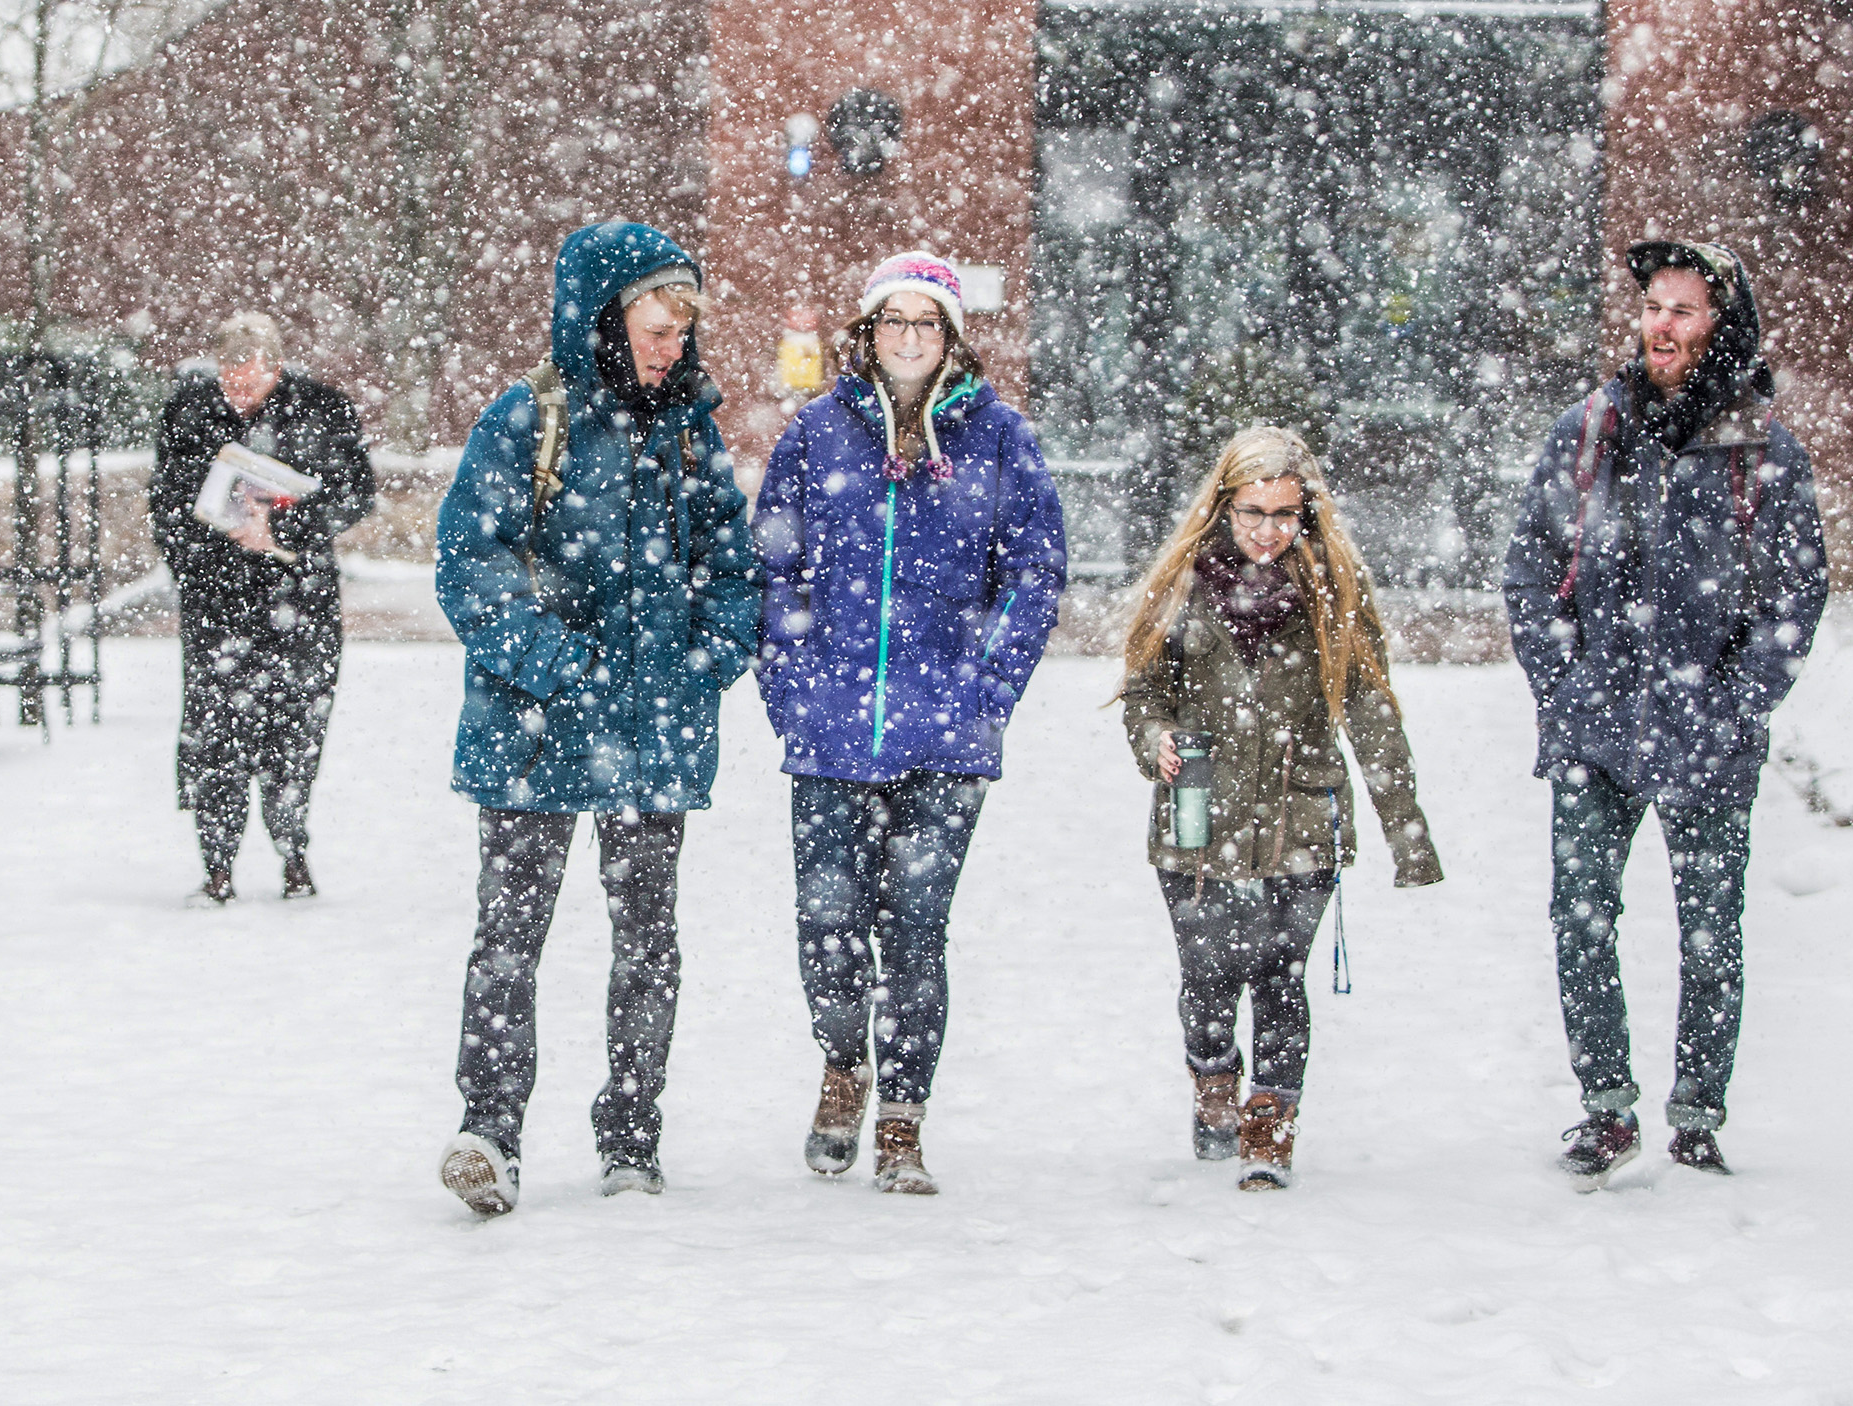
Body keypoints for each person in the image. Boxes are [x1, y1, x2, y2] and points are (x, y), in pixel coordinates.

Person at [431, 222, 757, 1215]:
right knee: (509, 933)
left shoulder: (691, 436)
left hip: (654, 728)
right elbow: (470, 566)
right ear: (604, 321)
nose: (671, 348)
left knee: (647, 937)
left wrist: (705, 662)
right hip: (532, 728)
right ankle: (489, 1129)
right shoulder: (524, 423)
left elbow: (733, 574)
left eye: (681, 330)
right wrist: (559, 666)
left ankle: (632, 1133)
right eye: (656, 327)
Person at [1503, 240, 1828, 1190]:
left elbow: (1793, 602)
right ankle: (1606, 1108)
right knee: (1580, 917)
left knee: (1710, 929)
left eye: (1683, 310)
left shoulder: (1762, 450)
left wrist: (1734, 706)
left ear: (1722, 326)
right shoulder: (1590, 429)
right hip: (1594, 732)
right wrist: (1564, 691)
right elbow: (1531, 573)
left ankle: (1696, 1114)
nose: (1661, 325)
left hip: (1708, 736)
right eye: (1653, 305)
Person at [752, 251, 1068, 1194]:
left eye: (926, 323)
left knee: (917, 928)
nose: (908, 339)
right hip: (832, 733)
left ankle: (902, 1114)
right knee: (828, 922)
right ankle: (843, 1070)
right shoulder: (817, 433)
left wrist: (989, 687)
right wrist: (791, 684)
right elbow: (775, 565)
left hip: (946, 737)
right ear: (868, 332)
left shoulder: (999, 438)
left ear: (953, 337)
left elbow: (1037, 571)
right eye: (893, 321)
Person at [1117, 425, 1443, 1191]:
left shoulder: (1334, 595)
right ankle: (1212, 1075)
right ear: (1223, 507)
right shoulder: (1182, 588)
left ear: (1310, 515)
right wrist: (1156, 737)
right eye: (1253, 513)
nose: (1269, 532)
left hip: (1303, 820)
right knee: (1207, 975)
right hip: (1199, 816)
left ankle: (1271, 1123)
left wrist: (1408, 831)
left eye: (1286, 515)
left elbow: (1372, 712)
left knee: (1278, 975)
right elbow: (1142, 694)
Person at [149, 312, 375, 904]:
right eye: (229, 373)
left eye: (251, 374)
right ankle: (217, 863)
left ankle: (292, 851)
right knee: (214, 733)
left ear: (276, 365)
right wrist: (217, 542)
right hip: (216, 603)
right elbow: (167, 506)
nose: (238, 386)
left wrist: (283, 527)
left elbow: (355, 494)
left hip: (298, 600)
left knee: (296, 728)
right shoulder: (190, 412)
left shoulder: (323, 409)